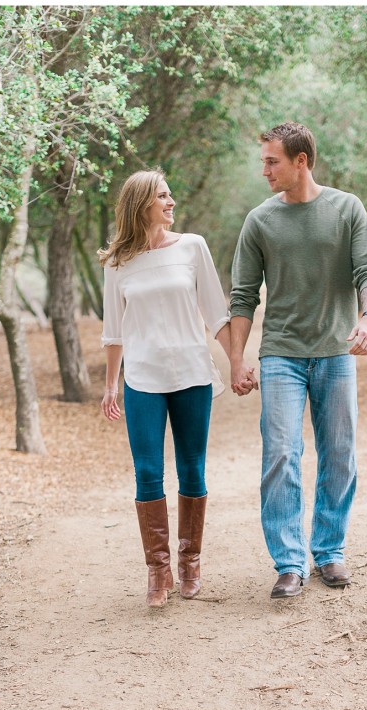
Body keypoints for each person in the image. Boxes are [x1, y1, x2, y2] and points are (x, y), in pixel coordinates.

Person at [229, 122, 367, 599]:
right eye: (263, 161)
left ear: (301, 161)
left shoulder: (347, 208)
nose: (265, 170)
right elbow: (242, 296)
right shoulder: (260, 220)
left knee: (340, 452)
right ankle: (289, 561)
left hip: (336, 352)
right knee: (281, 454)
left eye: (272, 161)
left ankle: (330, 550)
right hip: (281, 354)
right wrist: (237, 359)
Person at [99, 169, 252, 608]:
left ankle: (190, 563)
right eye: (162, 196)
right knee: (147, 473)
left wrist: (237, 363)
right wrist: (112, 386)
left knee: (192, 469)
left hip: (191, 375)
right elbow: (114, 332)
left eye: (170, 194)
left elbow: (216, 315)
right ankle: (157, 571)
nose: (171, 202)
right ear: (141, 203)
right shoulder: (117, 263)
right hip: (142, 379)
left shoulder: (192, 247)